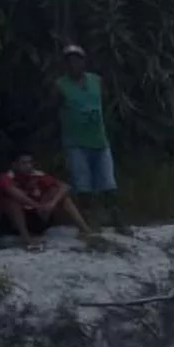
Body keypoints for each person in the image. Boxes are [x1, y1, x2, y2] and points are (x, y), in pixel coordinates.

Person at [54, 44, 119, 224]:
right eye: (70, 61)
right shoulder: (60, 85)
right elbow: (55, 110)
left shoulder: (96, 80)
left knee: (108, 182)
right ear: (65, 65)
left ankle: (116, 218)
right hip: (75, 142)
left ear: (84, 62)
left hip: (99, 139)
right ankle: (88, 221)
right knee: (82, 184)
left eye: (77, 60)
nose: (74, 64)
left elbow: (104, 103)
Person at [0, 152, 92, 250]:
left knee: (60, 194)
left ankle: (86, 230)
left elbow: (65, 187)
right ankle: (26, 238)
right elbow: (13, 192)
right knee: (12, 201)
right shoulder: (6, 177)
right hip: (14, 221)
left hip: (37, 216)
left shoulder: (38, 175)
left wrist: (52, 203)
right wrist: (36, 205)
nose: (28, 166)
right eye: (24, 163)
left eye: (30, 163)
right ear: (15, 165)